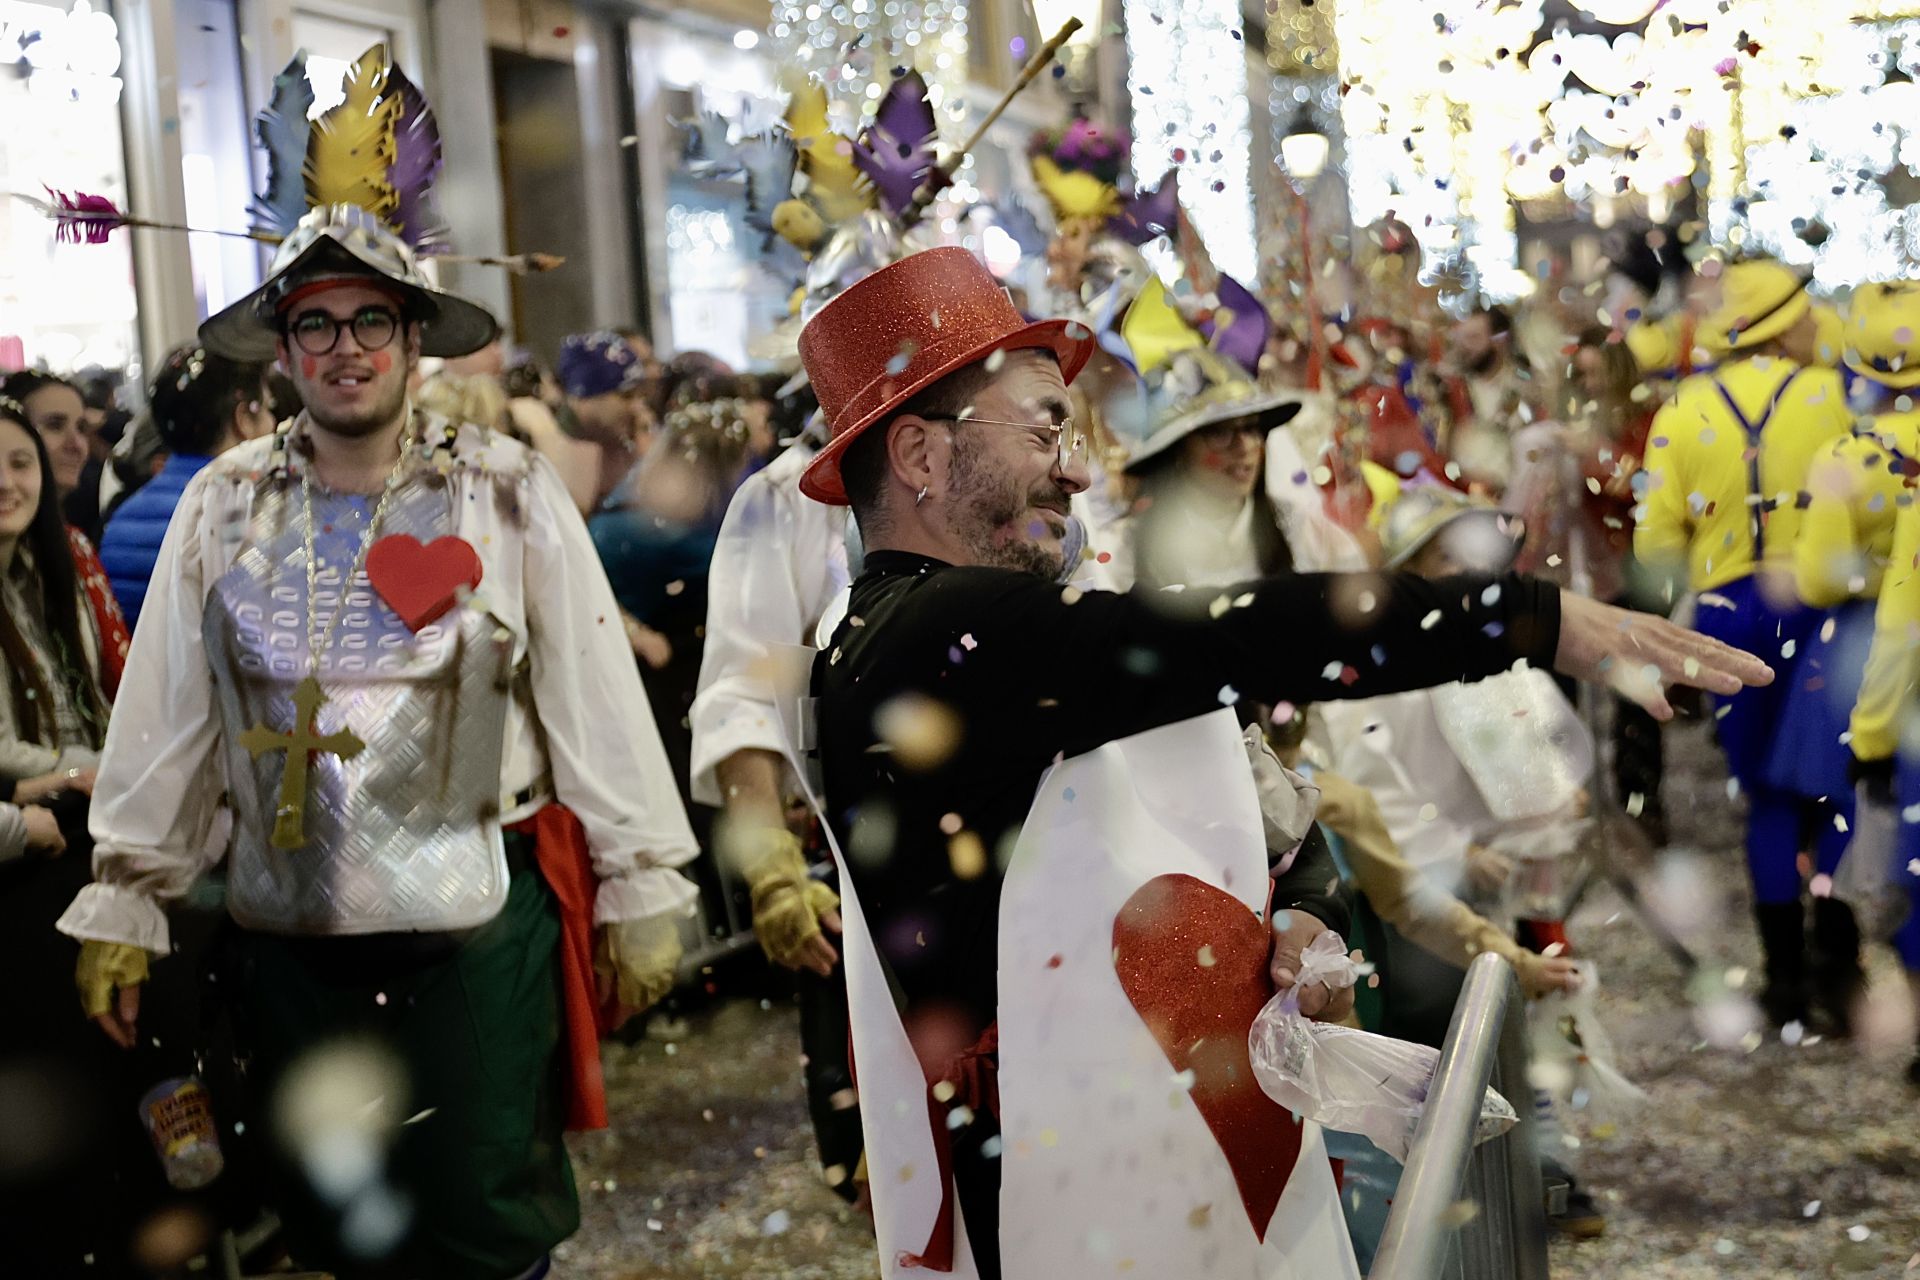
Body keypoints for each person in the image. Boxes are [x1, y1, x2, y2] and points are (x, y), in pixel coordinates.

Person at [796, 247, 1769, 1278]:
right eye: (1044, 425)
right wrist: (1530, 617)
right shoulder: (916, 640)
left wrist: (1306, 910)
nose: (1076, 467)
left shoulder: (980, 634)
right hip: (1062, 1202)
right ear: (920, 455)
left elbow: (1249, 782)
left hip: (1155, 1165)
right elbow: (1236, 638)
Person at [55, 69, 700, 1278]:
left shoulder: (506, 486)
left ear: (412, 338)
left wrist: (642, 871)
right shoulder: (219, 504)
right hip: (286, 949)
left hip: (473, 945)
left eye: (370, 322)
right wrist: (128, 890)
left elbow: (591, 692)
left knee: (485, 1225)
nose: (344, 349)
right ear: (284, 347)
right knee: (340, 1231)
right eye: (316, 324)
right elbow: (170, 719)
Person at [1635, 257, 1854, 1028]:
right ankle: (1840, 974)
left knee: (1762, 799)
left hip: (1726, 614)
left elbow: (1654, 543)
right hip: (1822, 606)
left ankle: (1784, 984)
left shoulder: (1681, 408)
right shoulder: (1834, 394)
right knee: (1831, 790)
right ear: (1785, 320)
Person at [1784, 280, 1920, 1037]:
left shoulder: (1848, 454)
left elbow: (1815, 577)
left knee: (1834, 811)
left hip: (1864, 649)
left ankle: (1835, 978)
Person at [98, 346, 273, 631]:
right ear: (242, 419)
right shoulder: (245, 516)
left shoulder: (121, 516)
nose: (273, 423)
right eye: (267, 407)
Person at [2, 370, 131, 696]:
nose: (78, 445)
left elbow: (116, 678)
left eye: (82, 429)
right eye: (56, 426)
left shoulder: (73, 543)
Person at [558, 330, 656, 508]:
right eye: (626, 396)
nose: (638, 407)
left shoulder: (630, 440)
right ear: (584, 399)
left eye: (640, 396)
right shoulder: (554, 448)